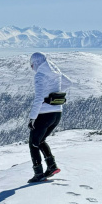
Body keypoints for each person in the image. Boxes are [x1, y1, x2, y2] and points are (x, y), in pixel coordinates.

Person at [27, 52, 69, 183]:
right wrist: (54, 94)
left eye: (32, 65)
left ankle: (38, 174)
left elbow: (39, 98)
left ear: (36, 63)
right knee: (40, 141)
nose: (32, 68)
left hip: (44, 114)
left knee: (33, 143)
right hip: (57, 113)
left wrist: (32, 117)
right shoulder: (56, 72)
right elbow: (69, 83)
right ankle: (51, 167)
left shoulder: (40, 75)